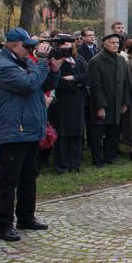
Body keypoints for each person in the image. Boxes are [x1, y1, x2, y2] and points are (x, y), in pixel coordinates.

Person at [0, 28, 62, 241]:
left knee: (29, 176)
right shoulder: (3, 67)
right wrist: (41, 61)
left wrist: (54, 70)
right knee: (8, 181)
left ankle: (26, 217)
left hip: (29, 129)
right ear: (13, 45)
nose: (30, 50)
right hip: (14, 131)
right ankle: (4, 225)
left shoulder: (25, 63)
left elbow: (44, 85)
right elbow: (28, 84)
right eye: (27, 46)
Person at [88, 33, 128, 166]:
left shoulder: (121, 59)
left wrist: (125, 102)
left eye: (117, 43)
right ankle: (97, 159)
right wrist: (100, 106)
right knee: (97, 133)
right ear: (104, 44)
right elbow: (95, 86)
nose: (116, 45)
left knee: (113, 133)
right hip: (103, 103)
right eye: (112, 42)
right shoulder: (96, 61)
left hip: (117, 103)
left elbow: (125, 82)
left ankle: (110, 157)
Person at [51, 40, 89, 173]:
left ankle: (75, 164)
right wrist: (74, 84)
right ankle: (62, 165)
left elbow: (87, 76)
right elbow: (57, 81)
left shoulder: (78, 59)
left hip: (77, 101)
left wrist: (74, 78)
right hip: (62, 101)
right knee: (62, 134)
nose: (66, 46)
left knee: (77, 133)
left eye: (68, 43)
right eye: (63, 44)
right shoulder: (55, 60)